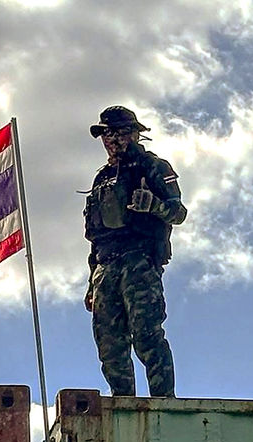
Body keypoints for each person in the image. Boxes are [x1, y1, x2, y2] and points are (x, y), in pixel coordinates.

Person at [82, 106, 187, 397]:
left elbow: (178, 213)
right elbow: (95, 237)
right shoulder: (101, 178)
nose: (112, 140)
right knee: (109, 343)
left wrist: (154, 205)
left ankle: (165, 402)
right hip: (106, 266)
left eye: (119, 133)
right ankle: (122, 404)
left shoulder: (153, 167)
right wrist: (91, 283)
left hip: (139, 260)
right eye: (106, 134)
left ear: (134, 134)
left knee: (146, 334)